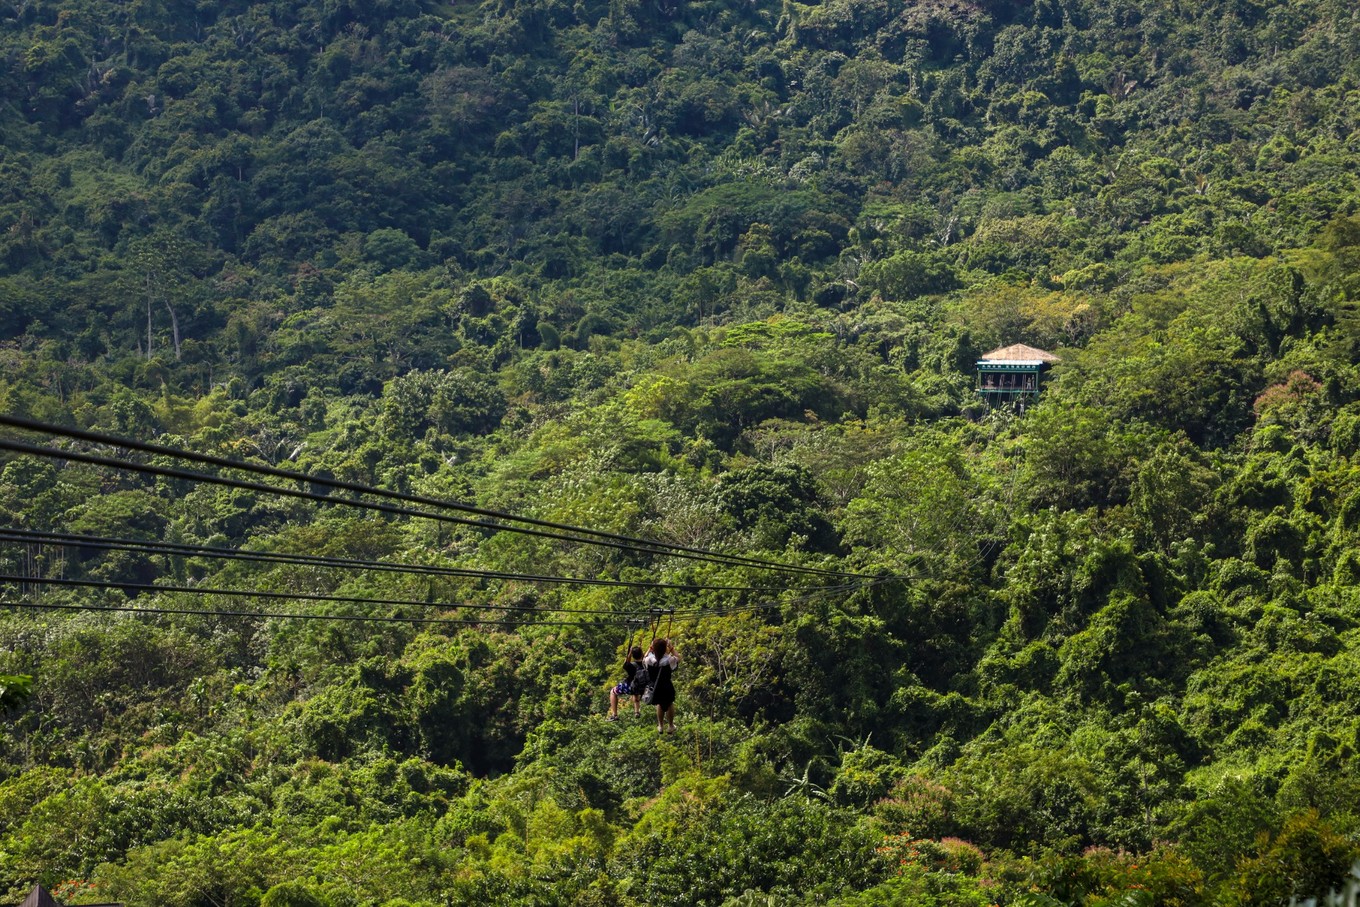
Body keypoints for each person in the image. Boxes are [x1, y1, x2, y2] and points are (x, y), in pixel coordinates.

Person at [644, 637, 680, 733]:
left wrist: (650, 648)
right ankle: (671, 725)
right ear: (665, 649)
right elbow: (678, 658)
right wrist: (670, 647)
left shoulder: (649, 660)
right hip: (667, 687)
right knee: (669, 703)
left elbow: (644, 657)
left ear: (653, 648)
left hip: (655, 687)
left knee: (659, 703)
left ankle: (660, 725)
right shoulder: (669, 660)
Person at [608, 646, 644, 720]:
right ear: (641, 654)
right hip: (642, 687)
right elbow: (645, 657)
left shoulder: (631, 666)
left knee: (613, 692)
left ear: (633, 656)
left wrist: (629, 653)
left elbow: (626, 663)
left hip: (630, 687)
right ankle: (637, 712)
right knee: (635, 692)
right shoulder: (646, 664)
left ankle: (614, 714)